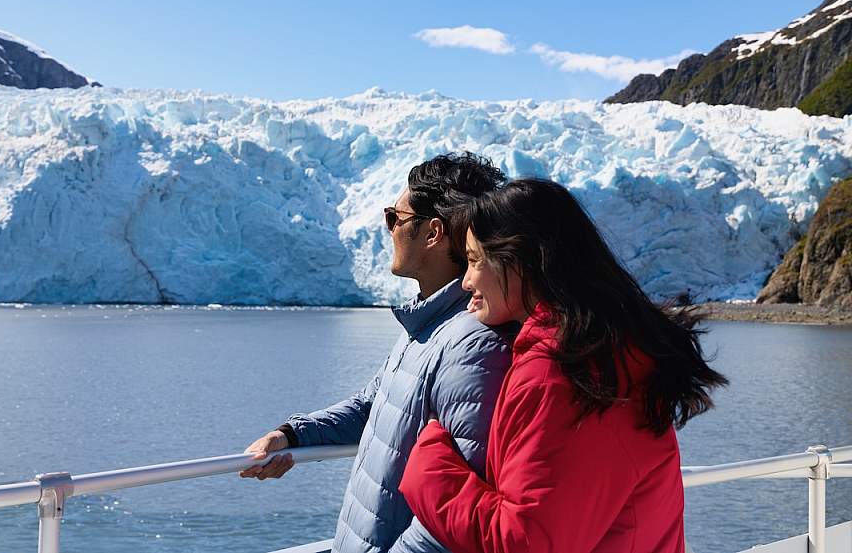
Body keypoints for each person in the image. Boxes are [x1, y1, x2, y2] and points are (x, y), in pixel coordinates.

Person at [399, 178, 728, 553]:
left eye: (475, 260)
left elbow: (523, 543)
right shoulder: (608, 348)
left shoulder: (560, 374)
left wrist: (429, 467)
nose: (468, 280)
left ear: (521, 260)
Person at [240, 152, 519, 553]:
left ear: (432, 233)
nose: (389, 230)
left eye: (395, 218)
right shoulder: (427, 326)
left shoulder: (472, 345)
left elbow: (459, 513)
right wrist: (291, 435)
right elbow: (374, 406)